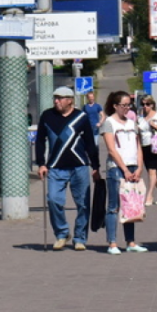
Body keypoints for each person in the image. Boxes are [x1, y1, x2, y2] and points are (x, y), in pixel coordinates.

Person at [36, 86, 101, 251]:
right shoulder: (47, 116)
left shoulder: (81, 117)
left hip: (79, 166)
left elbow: (90, 144)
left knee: (83, 204)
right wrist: (41, 163)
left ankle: (80, 238)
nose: (56, 101)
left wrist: (96, 167)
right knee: (53, 200)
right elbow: (39, 140)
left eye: (60, 98)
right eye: (55, 98)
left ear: (70, 100)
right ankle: (62, 233)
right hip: (56, 167)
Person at [101, 91, 147, 254]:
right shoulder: (109, 123)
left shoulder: (131, 123)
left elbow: (138, 146)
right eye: (124, 105)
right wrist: (125, 169)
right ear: (115, 106)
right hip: (117, 168)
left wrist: (140, 167)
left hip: (133, 166)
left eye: (129, 105)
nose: (127, 108)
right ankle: (112, 243)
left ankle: (131, 242)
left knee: (131, 205)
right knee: (114, 206)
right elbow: (112, 150)